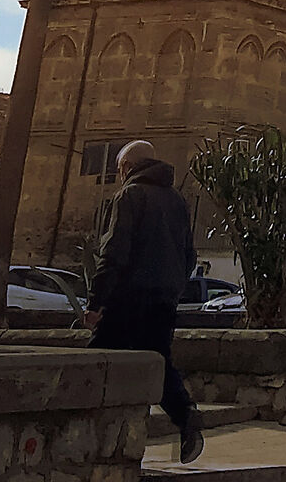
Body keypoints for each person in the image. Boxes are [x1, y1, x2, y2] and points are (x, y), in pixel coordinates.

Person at [86, 140, 203, 463]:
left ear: (127, 167)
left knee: (95, 360)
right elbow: (188, 254)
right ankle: (184, 413)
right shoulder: (176, 200)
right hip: (165, 296)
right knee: (157, 359)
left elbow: (114, 253)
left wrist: (96, 302)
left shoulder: (130, 196)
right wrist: (174, 286)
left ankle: (81, 435)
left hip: (130, 295)